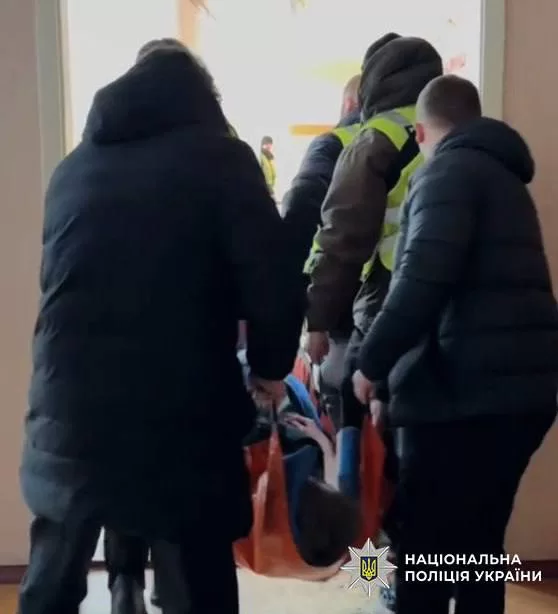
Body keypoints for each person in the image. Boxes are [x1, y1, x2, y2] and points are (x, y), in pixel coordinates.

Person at [18, 37, 304, 614]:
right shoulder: (223, 162)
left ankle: (117, 588)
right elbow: (272, 283)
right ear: (203, 99)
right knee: (194, 572)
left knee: (54, 575)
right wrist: (271, 368)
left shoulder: (74, 168)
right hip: (180, 409)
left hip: (69, 406)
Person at [352, 74, 558, 614]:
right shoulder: (504, 177)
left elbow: (421, 281)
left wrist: (371, 364)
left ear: (421, 133)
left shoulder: (446, 173)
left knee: (424, 545)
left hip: (461, 397)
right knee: (479, 544)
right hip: (523, 394)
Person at [281, 74, 361, 430]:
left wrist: (311, 318)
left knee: (344, 430)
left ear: (348, 104)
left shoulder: (333, 145)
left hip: (343, 319)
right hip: (407, 322)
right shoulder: (418, 140)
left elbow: (300, 216)